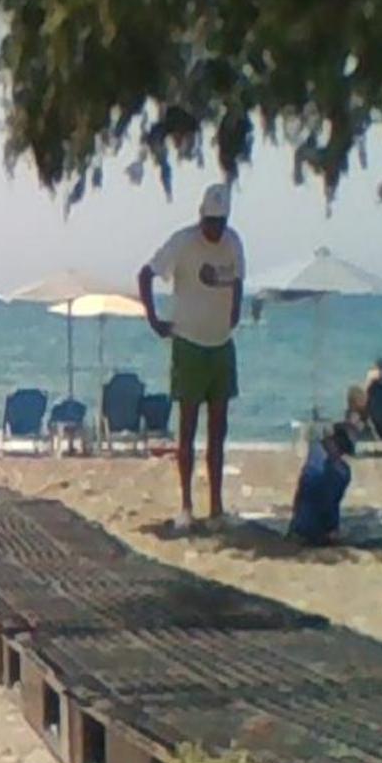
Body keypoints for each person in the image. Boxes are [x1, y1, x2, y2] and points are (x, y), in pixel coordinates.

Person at [139, 183, 246, 529]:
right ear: (201, 217)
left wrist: (234, 311)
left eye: (220, 222)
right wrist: (154, 320)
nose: (214, 229)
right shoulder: (183, 243)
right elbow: (146, 274)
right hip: (189, 345)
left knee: (218, 431)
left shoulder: (233, 243)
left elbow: (238, 279)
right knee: (187, 429)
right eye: (209, 222)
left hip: (221, 345)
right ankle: (186, 505)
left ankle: (216, 506)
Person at [290, 423, 355, 545]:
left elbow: (327, 501)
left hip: (313, 525)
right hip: (314, 523)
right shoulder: (340, 469)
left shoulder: (335, 470)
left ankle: (316, 532)